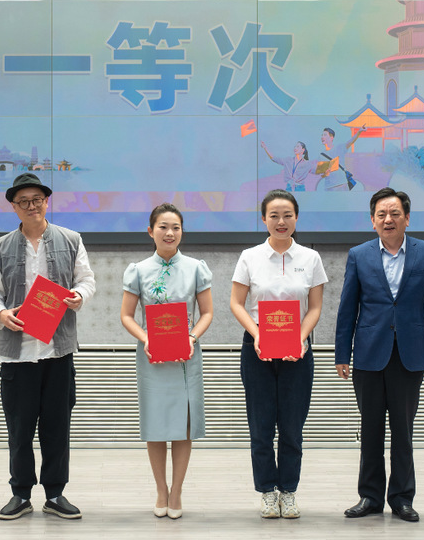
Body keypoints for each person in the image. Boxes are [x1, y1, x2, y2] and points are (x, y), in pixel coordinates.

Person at [0, 172, 96, 521]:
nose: (32, 206)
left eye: (37, 200)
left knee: (57, 428)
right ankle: (20, 494)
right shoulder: (0, 247)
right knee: (19, 429)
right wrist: (1, 314)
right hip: (17, 355)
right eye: (24, 202)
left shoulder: (71, 239)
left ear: (46, 202)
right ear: (14, 207)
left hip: (57, 352)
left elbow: (86, 280)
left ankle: (55, 494)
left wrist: (79, 296)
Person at [334, 187, 424, 523]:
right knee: (370, 429)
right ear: (372, 221)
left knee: (403, 430)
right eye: (382, 214)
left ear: (407, 218)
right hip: (369, 354)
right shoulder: (359, 255)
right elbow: (347, 309)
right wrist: (342, 353)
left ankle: (401, 498)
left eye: (395, 213)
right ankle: (370, 497)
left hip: (410, 354)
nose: (388, 219)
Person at [229, 189, 327, 519]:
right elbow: (236, 303)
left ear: (296, 218)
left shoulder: (310, 258)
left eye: (287, 215)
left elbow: (315, 307)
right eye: (274, 215)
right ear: (264, 219)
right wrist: (258, 335)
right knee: (260, 427)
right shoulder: (250, 256)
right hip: (257, 347)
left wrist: (300, 338)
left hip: (298, 348)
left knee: (292, 427)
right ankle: (267, 492)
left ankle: (288, 491)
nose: (281, 221)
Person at [120, 203, 214, 520]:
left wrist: (191, 337)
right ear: (151, 231)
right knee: (156, 424)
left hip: (186, 355)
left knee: (183, 427)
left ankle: (177, 491)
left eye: (175, 227)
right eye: (163, 226)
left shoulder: (196, 268)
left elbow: (207, 313)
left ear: (182, 231)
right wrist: (146, 338)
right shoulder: (138, 270)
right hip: (152, 357)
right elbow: (126, 315)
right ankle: (161, 489)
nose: (169, 232)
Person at [315, 125, 366, 191]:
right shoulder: (321, 156)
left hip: (342, 185)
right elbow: (322, 175)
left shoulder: (339, 148)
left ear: (331, 137)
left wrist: (359, 132)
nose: (322, 137)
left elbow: (351, 142)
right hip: (329, 187)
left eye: (325, 135)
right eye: (322, 135)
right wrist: (326, 174)